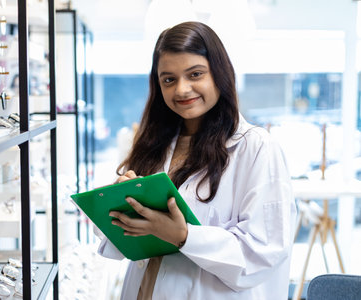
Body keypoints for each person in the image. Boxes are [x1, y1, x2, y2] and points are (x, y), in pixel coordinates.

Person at [97, 21, 296, 300]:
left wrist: (184, 236)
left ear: (220, 74)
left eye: (195, 74)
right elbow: (122, 241)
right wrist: (123, 206)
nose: (181, 89)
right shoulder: (154, 144)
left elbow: (263, 252)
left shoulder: (256, 147)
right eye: (169, 79)